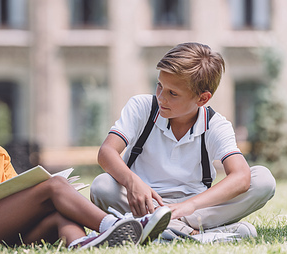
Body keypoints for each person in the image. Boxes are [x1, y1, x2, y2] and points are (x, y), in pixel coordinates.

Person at [0, 41, 171, 249]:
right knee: (55, 187)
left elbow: (13, 195)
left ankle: (86, 244)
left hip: (0, 225)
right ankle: (115, 226)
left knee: (61, 217)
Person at [90, 42, 276, 240]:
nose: (161, 98)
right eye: (159, 85)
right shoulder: (141, 107)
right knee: (102, 186)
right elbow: (107, 152)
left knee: (264, 181)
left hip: (196, 210)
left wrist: (190, 206)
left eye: (173, 93)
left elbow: (242, 177)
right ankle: (199, 234)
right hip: (143, 203)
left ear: (202, 99)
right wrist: (132, 181)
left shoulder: (216, 125)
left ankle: (168, 229)